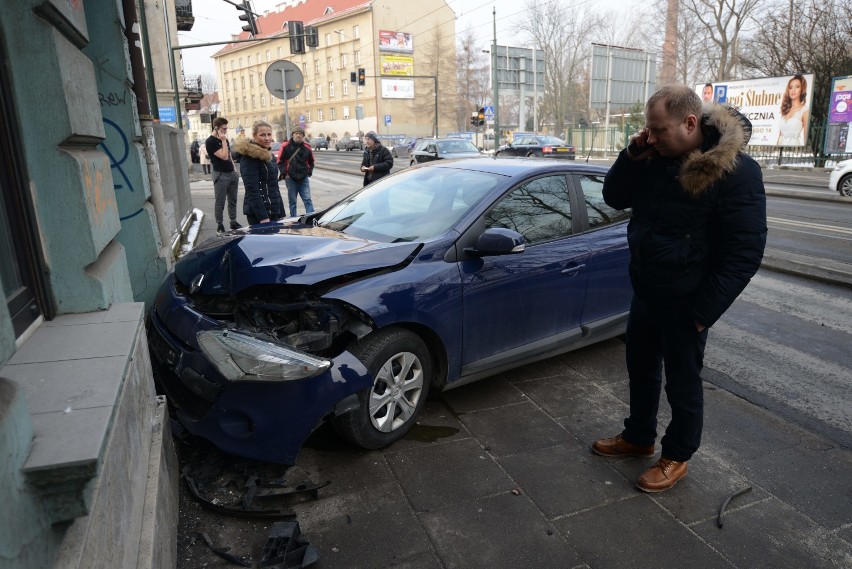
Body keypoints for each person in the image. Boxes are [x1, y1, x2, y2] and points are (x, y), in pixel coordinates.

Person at [593, 85, 767, 493]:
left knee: (683, 382)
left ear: (690, 123)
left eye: (658, 130)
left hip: (689, 302)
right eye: (647, 130)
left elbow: (744, 254)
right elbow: (613, 196)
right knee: (640, 368)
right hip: (647, 291)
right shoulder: (654, 156)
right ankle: (638, 437)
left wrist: (702, 313)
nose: (650, 137)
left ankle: (677, 455)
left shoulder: (736, 172)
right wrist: (633, 155)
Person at [233, 120, 284, 225]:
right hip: (258, 214)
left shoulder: (269, 155)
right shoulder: (249, 157)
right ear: (254, 136)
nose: (267, 138)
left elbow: (274, 187)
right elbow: (252, 189)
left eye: (269, 134)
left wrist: (281, 212)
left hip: (273, 210)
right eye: (262, 135)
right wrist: (263, 217)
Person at [205, 117, 241, 233]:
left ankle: (233, 222)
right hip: (220, 174)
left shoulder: (224, 139)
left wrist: (235, 170)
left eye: (226, 128)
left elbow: (229, 156)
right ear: (216, 127)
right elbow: (224, 156)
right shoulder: (210, 141)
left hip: (231, 173)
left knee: (233, 200)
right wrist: (223, 140)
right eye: (223, 129)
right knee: (220, 201)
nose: (225, 131)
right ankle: (220, 225)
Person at [277, 126, 315, 217]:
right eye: (296, 133)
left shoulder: (307, 147)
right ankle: (293, 219)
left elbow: (311, 161)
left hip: (303, 178)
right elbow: (280, 161)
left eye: (300, 134)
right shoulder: (285, 146)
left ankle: (311, 217)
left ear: (303, 136)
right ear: (292, 135)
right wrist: (285, 173)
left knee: (307, 200)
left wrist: (309, 172)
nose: (298, 135)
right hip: (290, 178)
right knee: (292, 201)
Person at [777, 74, 809, 146]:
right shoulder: (785, 109)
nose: (793, 90)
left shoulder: (805, 111)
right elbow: (780, 135)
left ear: (802, 89)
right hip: (779, 150)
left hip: (793, 151)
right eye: (791, 87)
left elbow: (805, 138)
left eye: (797, 87)